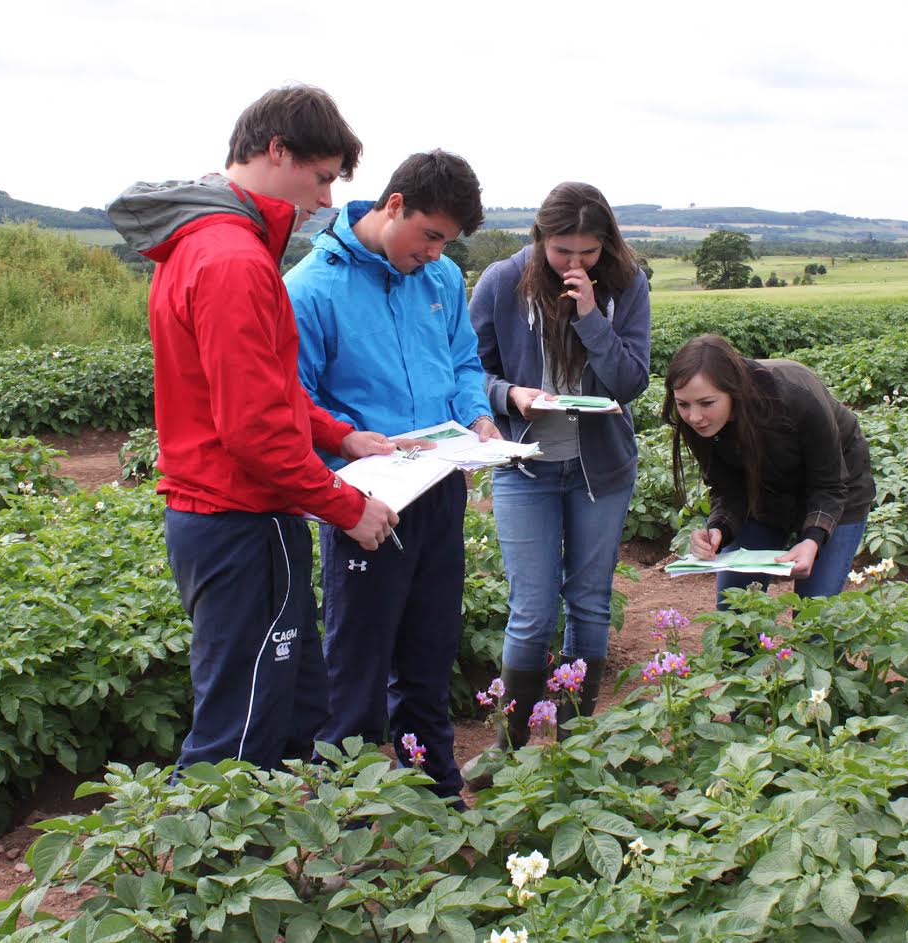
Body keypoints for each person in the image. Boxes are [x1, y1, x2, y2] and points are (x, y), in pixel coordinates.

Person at [105, 85, 400, 773]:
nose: (326, 201)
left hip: (232, 516)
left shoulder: (210, 243)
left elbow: (258, 390)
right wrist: (346, 505)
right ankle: (199, 871)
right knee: (237, 731)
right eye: (322, 177)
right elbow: (252, 429)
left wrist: (338, 434)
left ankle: (292, 856)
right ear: (277, 152)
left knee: (294, 707)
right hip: (241, 519)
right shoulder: (233, 259)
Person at [285, 149, 494, 802]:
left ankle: (435, 798)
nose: (435, 253)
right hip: (366, 504)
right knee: (356, 673)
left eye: (447, 242)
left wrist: (479, 417)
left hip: (438, 489)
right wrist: (339, 488)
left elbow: (463, 361)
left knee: (430, 659)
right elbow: (295, 401)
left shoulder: (441, 282)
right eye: (430, 235)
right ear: (394, 204)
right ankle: (342, 826)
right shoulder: (311, 288)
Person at [468, 182, 650, 757]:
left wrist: (592, 316)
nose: (575, 263)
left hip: (601, 469)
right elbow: (467, 371)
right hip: (527, 468)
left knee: (590, 600)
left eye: (588, 252)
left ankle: (575, 741)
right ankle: (509, 746)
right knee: (532, 610)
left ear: (607, 245)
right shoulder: (501, 283)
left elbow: (631, 381)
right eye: (562, 251)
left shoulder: (627, 285)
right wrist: (510, 396)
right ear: (540, 238)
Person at [662, 334, 875, 608]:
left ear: (734, 390)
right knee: (736, 607)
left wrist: (812, 539)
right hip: (766, 494)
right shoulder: (699, 423)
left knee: (815, 616)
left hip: (840, 491)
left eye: (706, 403)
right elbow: (727, 489)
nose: (694, 417)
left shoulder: (795, 395)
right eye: (683, 405)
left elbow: (830, 485)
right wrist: (719, 529)